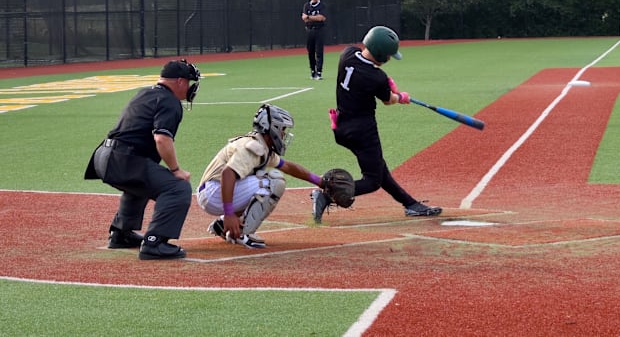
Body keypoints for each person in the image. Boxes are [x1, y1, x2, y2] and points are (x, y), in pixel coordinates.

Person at [312, 26, 442, 223]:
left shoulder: (348, 54)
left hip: (342, 126)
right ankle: (327, 194)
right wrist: (401, 96)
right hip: (362, 132)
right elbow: (388, 100)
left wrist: (389, 83)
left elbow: (376, 76)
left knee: (379, 168)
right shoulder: (375, 77)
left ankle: (410, 204)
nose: (389, 59)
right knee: (373, 180)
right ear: (382, 55)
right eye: (388, 55)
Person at [84, 59, 201, 260]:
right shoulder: (170, 101)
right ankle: (155, 243)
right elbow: (162, 139)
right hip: (122, 160)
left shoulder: (145, 93)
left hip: (103, 156)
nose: (190, 88)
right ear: (180, 81)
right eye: (189, 82)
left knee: (142, 181)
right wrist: (176, 170)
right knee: (178, 188)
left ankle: (121, 233)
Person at [196, 103, 325, 248]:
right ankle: (244, 233)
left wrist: (319, 181)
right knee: (273, 181)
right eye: (282, 129)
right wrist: (229, 213)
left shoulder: (262, 147)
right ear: (273, 128)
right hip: (213, 192)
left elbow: (288, 167)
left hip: (212, 191)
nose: (284, 134)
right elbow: (228, 174)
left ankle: (221, 225)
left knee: (263, 178)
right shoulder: (252, 148)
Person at [301, 0, 327, 80]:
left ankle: (319, 72)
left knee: (319, 52)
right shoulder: (306, 6)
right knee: (310, 51)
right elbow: (304, 19)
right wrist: (312, 17)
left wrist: (309, 17)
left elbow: (321, 18)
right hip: (309, 30)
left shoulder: (322, 5)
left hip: (319, 30)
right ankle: (313, 71)